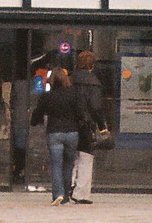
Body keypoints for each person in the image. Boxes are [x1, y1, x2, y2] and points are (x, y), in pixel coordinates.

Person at [31, 66, 86, 204]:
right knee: (68, 164)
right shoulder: (73, 93)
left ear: (52, 81)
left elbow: (38, 113)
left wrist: (35, 122)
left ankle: (58, 194)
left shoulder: (47, 96)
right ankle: (66, 195)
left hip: (54, 132)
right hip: (72, 132)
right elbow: (81, 113)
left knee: (56, 165)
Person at [70, 49, 107, 204]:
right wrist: (102, 126)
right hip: (87, 124)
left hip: (70, 123)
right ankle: (81, 193)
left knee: (71, 157)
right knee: (86, 158)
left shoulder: (70, 80)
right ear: (92, 66)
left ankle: (69, 185)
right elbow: (96, 107)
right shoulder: (94, 83)